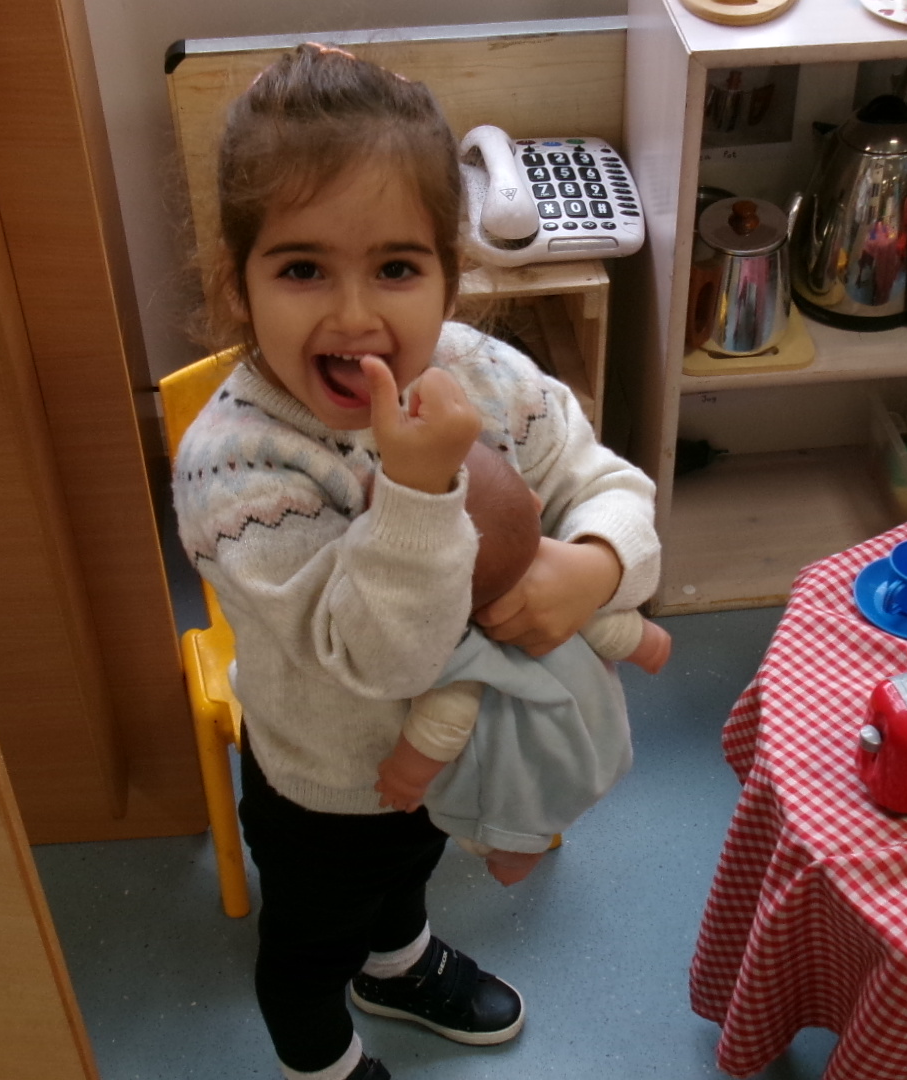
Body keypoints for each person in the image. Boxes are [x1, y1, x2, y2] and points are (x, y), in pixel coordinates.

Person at [171, 43, 661, 1080]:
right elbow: (382, 657)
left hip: (445, 763)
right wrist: (419, 490)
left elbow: (604, 481)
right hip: (325, 783)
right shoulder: (238, 467)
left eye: (396, 268)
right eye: (302, 268)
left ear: (448, 274)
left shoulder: (483, 373)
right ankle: (323, 1061)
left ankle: (395, 965)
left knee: (409, 875)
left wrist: (597, 565)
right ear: (239, 284)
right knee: (309, 950)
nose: (355, 315)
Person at [374, 440, 672, 887]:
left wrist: (407, 775)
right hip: (594, 732)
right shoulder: (560, 581)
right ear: (533, 506)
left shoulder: (458, 647)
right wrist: (649, 645)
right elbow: (611, 628)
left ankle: (516, 855)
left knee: (515, 814)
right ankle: (528, 845)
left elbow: (444, 722)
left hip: (528, 755)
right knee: (552, 797)